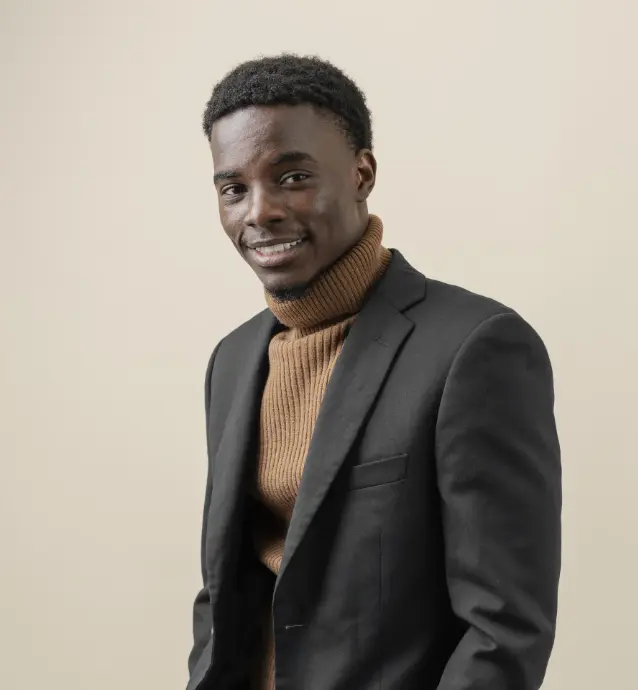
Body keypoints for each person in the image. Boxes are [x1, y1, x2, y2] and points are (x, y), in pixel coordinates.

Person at [187, 54, 561, 690]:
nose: (259, 211)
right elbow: (223, 588)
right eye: (234, 189)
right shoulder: (233, 360)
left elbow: (503, 630)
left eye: (293, 177)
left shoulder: (475, 347)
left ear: (362, 174)